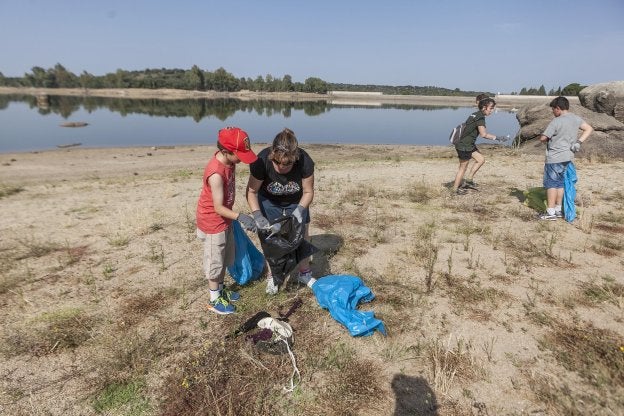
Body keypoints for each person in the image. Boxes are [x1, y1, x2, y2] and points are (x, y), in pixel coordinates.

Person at [196, 127, 259, 315]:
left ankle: (221, 290)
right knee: (215, 261)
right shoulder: (215, 173)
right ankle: (214, 299)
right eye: (239, 155)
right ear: (225, 151)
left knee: (225, 257)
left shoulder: (230, 162)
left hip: (225, 220)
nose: (241, 159)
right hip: (213, 222)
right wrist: (241, 216)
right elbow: (217, 207)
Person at [247, 128, 316, 294]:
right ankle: (273, 275)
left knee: (302, 233)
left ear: (295, 158)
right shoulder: (261, 161)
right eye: (277, 162)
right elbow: (251, 192)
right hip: (269, 201)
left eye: (287, 163)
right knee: (271, 236)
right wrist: (257, 215)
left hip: (296, 201)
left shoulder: (305, 161)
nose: (281, 167)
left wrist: (300, 210)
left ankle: (304, 272)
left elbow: (308, 192)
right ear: (272, 155)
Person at [538, 96, 593, 220]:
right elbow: (589, 129)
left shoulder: (556, 121)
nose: (552, 112)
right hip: (568, 157)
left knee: (551, 184)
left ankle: (550, 212)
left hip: (554, 157)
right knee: (560, 183)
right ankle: (558, 209)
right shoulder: (575, 118)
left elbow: (543, 138)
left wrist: (543, 137)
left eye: (553, 109)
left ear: (558, 108)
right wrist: (579, 142)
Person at [452, 97, 507, 195]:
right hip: (464, 145)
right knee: (462, 168)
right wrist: (498, 138)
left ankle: (469, 180)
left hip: (468, 144)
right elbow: (484, 134)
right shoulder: (480, 118)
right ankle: (455, 190)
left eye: (493, 108)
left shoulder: (475, 114)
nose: (492, 110)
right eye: (491, 108)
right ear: (484, 107)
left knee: (480, 160)